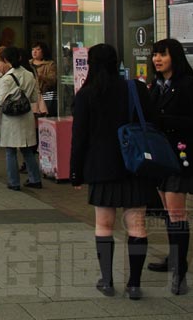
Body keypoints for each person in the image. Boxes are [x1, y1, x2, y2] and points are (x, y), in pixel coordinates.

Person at [70, 43, 157, 300]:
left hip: (101, 166)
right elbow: (152, 122)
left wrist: (76, 172)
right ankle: (134, 284)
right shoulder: (135, 88)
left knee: (103, 225)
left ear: (92, 64)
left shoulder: (86, 94)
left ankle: (107, 281)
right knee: (137, 226)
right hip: (134, 166)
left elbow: (79, 137)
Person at [146, 38, 193, 296]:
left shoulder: (189, 85)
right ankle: (173, 258)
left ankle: (180, 271)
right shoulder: (156, 86)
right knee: (168, 212)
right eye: (155, 55)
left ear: (174, 57)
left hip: (180, 156)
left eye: (162, 54)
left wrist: (165, 120)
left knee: (176, 214)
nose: (157, 59)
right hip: (160, 157)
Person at [0, 47, 42, 191]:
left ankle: (14, 182)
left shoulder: (6, 79)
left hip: (11, 119)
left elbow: (1, 101)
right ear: (20, 58)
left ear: (5, 60)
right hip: (26, 116)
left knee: (10, 151)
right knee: (27, 150)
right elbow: (34, 98)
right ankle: (35, 179)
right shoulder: (29, 75)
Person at [31, 42, 58, 117]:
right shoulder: (29, 63)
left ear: (43, 51)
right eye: (33, 49)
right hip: (32, 96)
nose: (34, 52)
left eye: (38, 49)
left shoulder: (50, 64)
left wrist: (41, 76)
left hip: (45, 95)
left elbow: (53, 80)